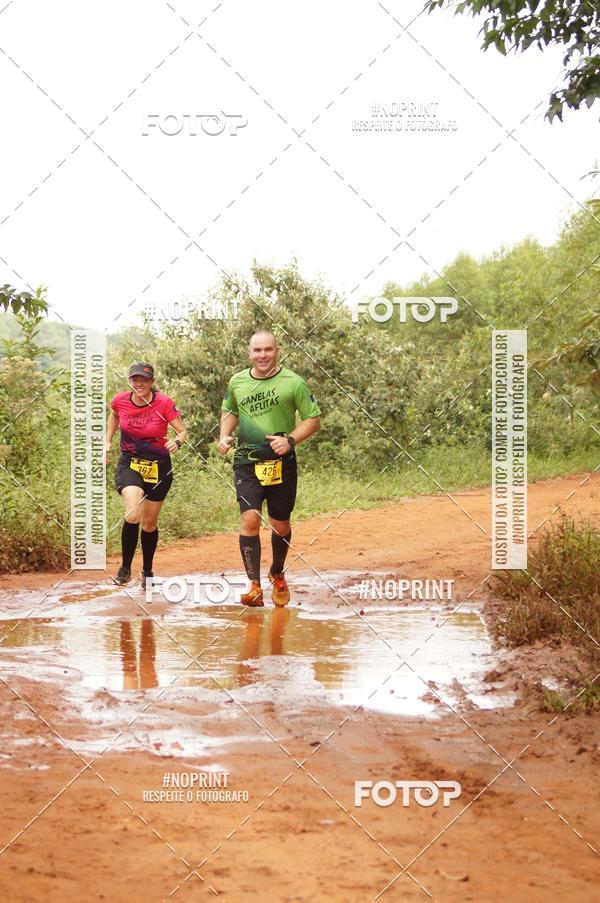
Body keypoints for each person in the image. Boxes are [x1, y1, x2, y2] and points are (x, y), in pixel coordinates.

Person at [218, 330, 321, 607]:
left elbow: (313, 419)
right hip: (247, 462)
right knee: (250, 519)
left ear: (277, 351)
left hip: (281, 464)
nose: (262, 355)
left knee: (280, 524)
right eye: (257, 350)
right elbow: (230, 411)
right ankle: (253, 586)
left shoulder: (293, 382)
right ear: (249, 353)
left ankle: (277, 572)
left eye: (268, 350)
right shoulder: (237, 381)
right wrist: (224, 435)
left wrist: (290, 440)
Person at [105, 362, 187, 589]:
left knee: (149, 523)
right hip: (130, 463)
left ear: (152, 382)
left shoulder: (164, 403)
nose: (139, 383)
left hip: (159, 466)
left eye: (144, 379)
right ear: (130, 381)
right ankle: (124, 569)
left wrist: (177, 442)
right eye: (135, 379)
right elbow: (113, 416)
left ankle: (147, 570)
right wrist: (107, 440)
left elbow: (182, 431)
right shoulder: (120, 400)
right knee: (133, 514)